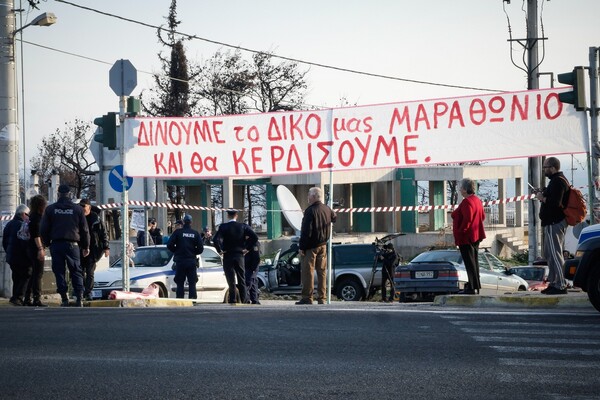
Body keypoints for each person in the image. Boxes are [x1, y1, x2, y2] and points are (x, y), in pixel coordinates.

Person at [40, 184, 90, 307]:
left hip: (56, 244)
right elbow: (84, 229)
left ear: (58, 193)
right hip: (73, 245)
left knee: (59, 271)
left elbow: (44, 228)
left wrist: (46, 243)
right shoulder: (77, 209)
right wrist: (86, 246)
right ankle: (79, 297)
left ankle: (64, 298)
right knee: (76, 271)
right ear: (69, 193)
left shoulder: (51, 209)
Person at [297, 187, 337, 305]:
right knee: (322, 272)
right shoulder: (327, 209)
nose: (307, 197)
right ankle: (322, 297)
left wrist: (302, 247)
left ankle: (307, 297)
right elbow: (334, 218)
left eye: (309, 195)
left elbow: (306, 231)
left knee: (308, 272)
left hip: (311, 247)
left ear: (314, 196)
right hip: (323, 245)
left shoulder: (310, 211)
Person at [536, 156, 569, 295]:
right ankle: (554, 282)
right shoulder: (555, 182)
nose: (544, 170)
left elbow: (555, 202)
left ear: (553, 168)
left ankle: (561, 284)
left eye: (545, 167)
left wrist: (542, 198)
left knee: (555, 254)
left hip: (554, 222)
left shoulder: (558, 182)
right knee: (549, 254)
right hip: (551, 222)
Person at [213, 209, 258, 304]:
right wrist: (247, 248)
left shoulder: (223, 227)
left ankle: (233, 299)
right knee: (241, 278)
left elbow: (215, 239)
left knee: (231, 279)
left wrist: (220, 250)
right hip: (240, 255)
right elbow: (254, 237)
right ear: (236, 215)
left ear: (228, 216)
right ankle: (244, 300)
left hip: (228, 255)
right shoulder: (243, 226)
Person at [451, 178, 486, 295]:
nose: (460, 190)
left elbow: (467, 219)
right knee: (474, 261)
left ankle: (471, 286)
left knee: (469, 262)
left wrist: (461, 231)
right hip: (476, 235)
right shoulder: (477, 200)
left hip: (466, 237)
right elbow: (482, 216)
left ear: (465, 189)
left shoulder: (467, 202)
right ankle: (475, 285)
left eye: (461, 188)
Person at [79, 198, 110, 301]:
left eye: (84, 206)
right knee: (80, 271)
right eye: (81, 206)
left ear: (89, 207)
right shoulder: (78, 217)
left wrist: (106, 247)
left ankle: (88, 292)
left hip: (93, 249)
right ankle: (82, 291)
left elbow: (103, 234)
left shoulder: (96, 219)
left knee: (90, 271)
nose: (82, 208)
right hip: (80, 248)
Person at [167, 214, 203, 299]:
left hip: (180, 261)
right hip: (191, 261)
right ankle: (193, 300)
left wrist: (176, 251)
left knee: (180, 282)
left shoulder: (178, 232)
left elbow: (169, 245)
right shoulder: (195, 233)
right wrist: (193, 252)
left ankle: (180, 300)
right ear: (191, 222)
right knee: (192, 283)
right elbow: (201, 249)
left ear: (183, 222)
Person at [2, 204, 32, 306]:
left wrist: (8, 252)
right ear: (24, 214)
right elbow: (24, 241)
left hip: (11, 256)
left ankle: (15, 297)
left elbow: (4, 241)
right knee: (26, 274)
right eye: (28, 214)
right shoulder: (22, 225)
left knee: (16, 276)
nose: (29, 217)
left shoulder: (9, 224)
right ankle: (18, 297)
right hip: (21, 255)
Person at [24, 195, 48, 307]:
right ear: (41, 205)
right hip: (36, 248)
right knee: (38, 274)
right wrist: (40, 249)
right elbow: (37, 235)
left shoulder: (31, 216)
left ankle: (27, 298)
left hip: (29, 248)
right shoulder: (37, 218)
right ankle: (36, 299)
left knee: (33, 274)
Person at [244, 234, 260, 304]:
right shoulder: (246, 242)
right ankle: (254, 299)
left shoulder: (254, 243)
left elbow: (256, 257)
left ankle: (247, 299)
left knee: (249, 282)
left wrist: (254, 268)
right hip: (247, 266)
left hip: (251, 266)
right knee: (253, 283)